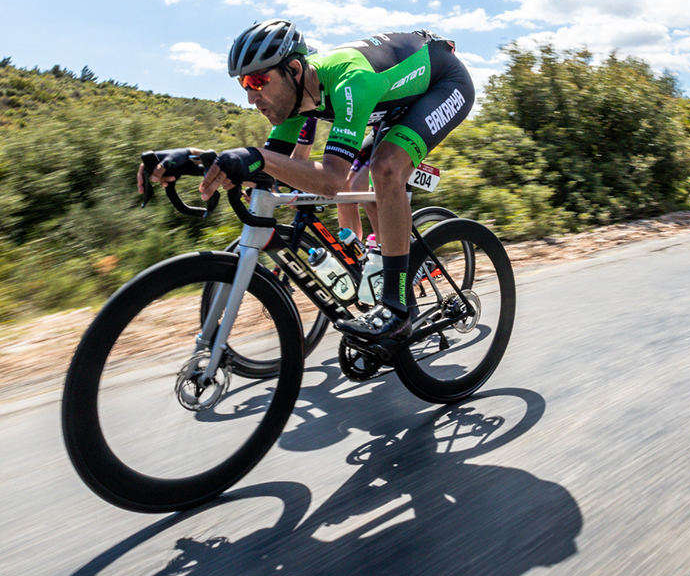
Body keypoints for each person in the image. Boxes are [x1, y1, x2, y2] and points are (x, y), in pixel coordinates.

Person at [146, 19, 475, 341]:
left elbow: (331, 180)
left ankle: (398, 307)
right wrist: (195, 160)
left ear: (294, 70)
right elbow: (263, 167)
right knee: (368, 173)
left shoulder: (349, 82)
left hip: (444, 83)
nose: (250, 97)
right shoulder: (295, 101)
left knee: (385, 167)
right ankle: (381, 261)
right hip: (391, 102)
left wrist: (254, 156)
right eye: (244, 84)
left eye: (259, 81)